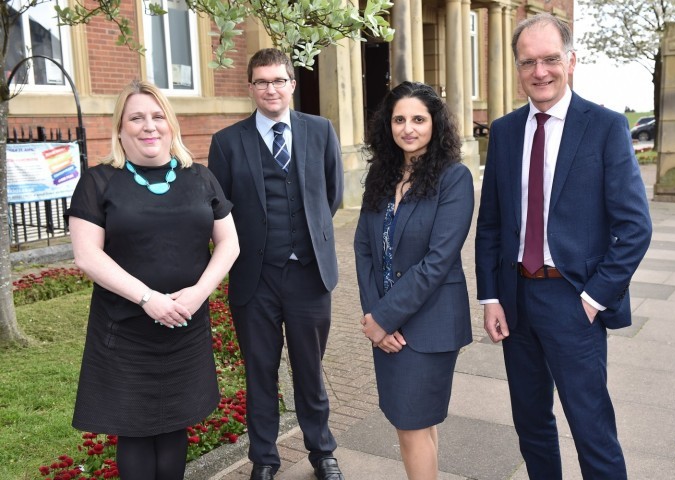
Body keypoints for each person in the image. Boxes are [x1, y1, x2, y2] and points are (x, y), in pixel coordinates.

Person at [475, 13, 652, 480]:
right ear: (517, 69)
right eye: (528, 62)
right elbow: (491, 223)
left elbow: (635, 227)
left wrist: (594, 299)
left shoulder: (606, 127)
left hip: (574, 300)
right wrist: (491, 296)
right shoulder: (506, 131)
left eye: (551, 59)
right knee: (531, 423)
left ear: (571, 61)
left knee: (591, 428)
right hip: (515, 299)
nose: (540, 71)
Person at [67, 80, 240, 480]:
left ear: (171, 124)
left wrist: (198, 295)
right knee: (136, 431)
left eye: (158, 116)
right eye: (137, 118)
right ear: (121, 128)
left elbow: (229, 242)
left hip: (185, 323)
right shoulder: (98, 182)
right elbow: (87, 255)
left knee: (175, 423)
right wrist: (148, 299)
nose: (149, 126)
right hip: (125, 331)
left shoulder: (199, 177)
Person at [207, 48, 344, 480]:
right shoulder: (227, 142)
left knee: (310, 370)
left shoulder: (321, 130)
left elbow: (332, 195)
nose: (271, 88)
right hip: (255, 278)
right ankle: (264, 460)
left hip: (309, 274)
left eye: (279, 80)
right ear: (251, 88)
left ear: (292, 83)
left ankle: (322, 452)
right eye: (262, 81)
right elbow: (220, 210)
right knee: (260, 373)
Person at [354, 81, 475, 480]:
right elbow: (363, 249)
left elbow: (438, 261)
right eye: (400, 119)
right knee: (416, 423)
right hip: (385, 323)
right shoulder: (380, 175)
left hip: (429, 323)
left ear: (435, 124)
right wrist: (374, 317)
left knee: (410, 425)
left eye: (419, 119)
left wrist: (384, 318)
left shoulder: (453, 178)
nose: (409, 128)